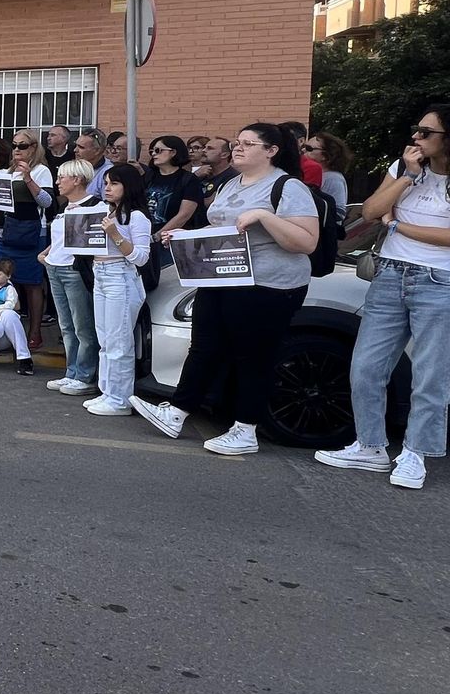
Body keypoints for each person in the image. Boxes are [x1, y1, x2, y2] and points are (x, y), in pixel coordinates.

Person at [130, 124, 319, 454]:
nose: (239, 148)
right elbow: (219, 225)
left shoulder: (288, 187)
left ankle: (245, 429)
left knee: (252, 356)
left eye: (248, 143)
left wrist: (263, 215)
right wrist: (187, 237)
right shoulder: (232, 183)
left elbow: (307, 241)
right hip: (220, 277)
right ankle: (177, 412)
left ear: (271, 150)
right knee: (205, 347)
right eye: (237, 143)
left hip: (267, 284)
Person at [316, 106, 450, 489]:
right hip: (391, 274)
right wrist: (407, 176)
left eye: (426, 132)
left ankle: (416, 453)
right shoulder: (404, 167)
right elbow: (373, 211)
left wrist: (401, 226)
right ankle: (370, 445)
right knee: (367, 366)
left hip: (440, 280)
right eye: (416, 130)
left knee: (431, 374)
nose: (417, 138)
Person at [81, 163, 153, 416]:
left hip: (120, 277)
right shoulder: (108, 212)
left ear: (128, 186)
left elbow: (141, 257)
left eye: (114, 183)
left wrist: (115, 235)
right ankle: (108, 391)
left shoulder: (136, 217)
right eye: (107, 183)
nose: (107, 188)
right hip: (101, 275)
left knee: (119, 340)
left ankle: (120, 399)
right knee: (105, 338)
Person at [39, 159, 100, 397]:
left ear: (77, 179)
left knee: (82, 324)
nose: (57, 182)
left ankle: (85, 375)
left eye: (62, 177)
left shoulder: (95, 206)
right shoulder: (65, 208)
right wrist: (46, 254)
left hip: (74, 270)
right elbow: (61, 239)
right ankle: (72, 371)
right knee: (66, 324)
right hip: (54, 267)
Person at [2, 131, 55, 348]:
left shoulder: (41, 171)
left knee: (32, 283)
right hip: (6, 232)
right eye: (14, 145)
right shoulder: (8, 172)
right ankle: (9, 331)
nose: (16, 149)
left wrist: (28, 179)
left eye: (22, 146)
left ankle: (35, 331)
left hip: (32, 231)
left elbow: (47, 202)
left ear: (34, 147)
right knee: (5, 281)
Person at [144, 135, 205, 265]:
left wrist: (157, 236)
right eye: (152, 151)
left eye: (158, 150)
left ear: (173, 152)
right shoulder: (148, 177)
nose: (154, 154)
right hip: (144, 238)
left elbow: (184, 214)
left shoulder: (188, 179)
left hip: (172, 240)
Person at [303, 131, 353, 207]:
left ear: (325, 156)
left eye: (309, 148)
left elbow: (337, 213)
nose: (303, 150)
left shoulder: (333, 179)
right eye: (303, 146)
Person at [196, 136, 237, 206]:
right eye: (204, 147)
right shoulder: (200, 174)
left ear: (224, 155)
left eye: (210, 148)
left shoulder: (233, 178)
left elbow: (210, 204)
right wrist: (195, 176)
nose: (203, 150)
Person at [75, 130, 112, 198]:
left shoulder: (108, 173)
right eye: (76, 146)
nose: (75, 150)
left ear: (97, 151)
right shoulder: (76, 168)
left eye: (81, 147)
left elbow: (109, 206)